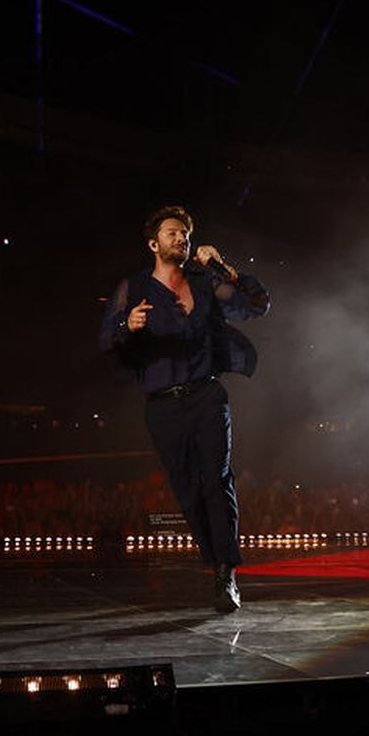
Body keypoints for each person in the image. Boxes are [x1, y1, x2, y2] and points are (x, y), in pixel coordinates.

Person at [99, 206, 270, 612]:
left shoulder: (205, 282)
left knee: (218, 480)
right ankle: (215, 563)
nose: (182, 239)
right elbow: (106, 338)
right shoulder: (135, 287)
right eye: (173, 233)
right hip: (162, 407)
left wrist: (225, 268)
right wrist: (129, 327)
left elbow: (256, 304)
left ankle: (226, 573)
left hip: (207, 396)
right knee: (190, 492)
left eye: (186, 234)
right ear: (154, 243)